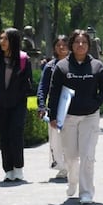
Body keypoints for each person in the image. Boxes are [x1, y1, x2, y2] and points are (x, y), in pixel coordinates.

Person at [47, 29, 103, 204]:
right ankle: (72, 181)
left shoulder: (97, 66)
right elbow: (54, 92)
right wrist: (52, 115)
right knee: (71, 156)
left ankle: (86, 192)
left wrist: (96, 102)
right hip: (68, 117)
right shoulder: (61, 67)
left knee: (88, 155)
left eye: (84, 42)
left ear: (89, 46)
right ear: (71, 45)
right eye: (77, 42)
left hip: (90, 117)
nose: (80, 45)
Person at [0, 28, 35, 182]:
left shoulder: (23, 59)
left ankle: (18, 167)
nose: (2, 42)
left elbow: (28, 82)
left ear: (13, 40)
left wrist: (17, 95)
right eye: (1, 39)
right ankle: (8, 169)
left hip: (18, 103)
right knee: (4, 135)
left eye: (5, 39)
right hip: (0, 103)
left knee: (16, 133)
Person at [37, 35, 70, 179]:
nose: (61, 47)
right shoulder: (50, 66)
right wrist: (42, 105)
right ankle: (62, 166)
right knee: (56, 138)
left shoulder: (75, 64)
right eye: (58, 45)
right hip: (55, 106)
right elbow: (42, 87)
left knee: (71, 137)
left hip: (72, 106)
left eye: (64, 45)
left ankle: (73, 165)